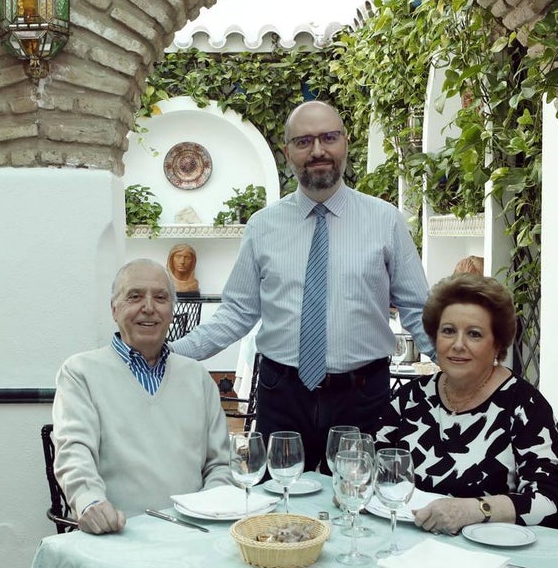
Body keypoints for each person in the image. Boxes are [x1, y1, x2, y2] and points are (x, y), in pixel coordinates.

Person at [170, 100, 434, 472]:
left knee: (358, 505)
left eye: (328, 137)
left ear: (345, 142)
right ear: (287, 152)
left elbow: (418, 309)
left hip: (363, 397)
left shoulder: (385, 221)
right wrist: (168, 353)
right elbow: (237, 313)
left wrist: (465, 367)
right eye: (304, 141)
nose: (318, 151)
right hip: (282, 395)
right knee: (278, 513)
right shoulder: (263, 226)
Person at [379, 273, 558, 533]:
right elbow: (374, 469)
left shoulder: (524, 406)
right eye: (448, 331)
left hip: (502, 555)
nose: (458, 345)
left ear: (497, 345)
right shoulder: (410, 398)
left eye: (474, 334)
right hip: (415, 546)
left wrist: (473, 510)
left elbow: (547, 502)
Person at [52, 258, 233, 535]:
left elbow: (220, 465)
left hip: (192, 535)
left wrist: (209, 511)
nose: (149, 308)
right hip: (118, 535)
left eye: (160, 298)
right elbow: (74, 452)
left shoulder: (197, 377)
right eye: (135, 296)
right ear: (114, 309)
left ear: (172, 311)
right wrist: (90, 503)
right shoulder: (80, 372)